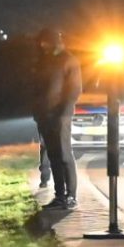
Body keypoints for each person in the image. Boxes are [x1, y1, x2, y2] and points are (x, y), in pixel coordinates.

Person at [31, 27, 84, 208]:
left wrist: (63, 113)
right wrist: (37, 112)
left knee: (64, 154)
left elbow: (74, 90)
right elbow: (36, 89)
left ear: (55, 41)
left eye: (45, 42)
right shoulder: (43, 61)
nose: (43, 46)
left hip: (61, 116)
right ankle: (59, 195)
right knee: (53, 156)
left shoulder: (69, 60)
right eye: (41, 43)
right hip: (45, 116)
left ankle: (71, 196)